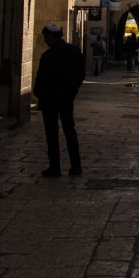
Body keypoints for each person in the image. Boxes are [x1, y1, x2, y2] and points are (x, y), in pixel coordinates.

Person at [33, 23, 85, 177]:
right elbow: (80, 75)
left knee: (52, 134)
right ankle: (76, 166)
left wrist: (40, 94)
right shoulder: (74, 51)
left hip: (49, 101)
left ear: (50, 37)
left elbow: (41, 79)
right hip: (66, 100)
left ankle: (54, 167)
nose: (45, 42)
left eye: (45, 38)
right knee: (70, 132)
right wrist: (71, 93)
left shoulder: (48, 56)